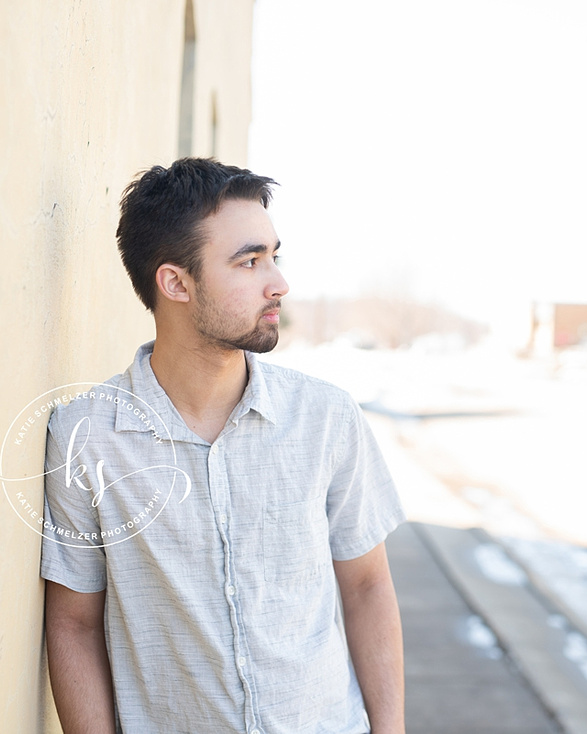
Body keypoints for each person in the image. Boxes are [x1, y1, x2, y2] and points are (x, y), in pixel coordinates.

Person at [40, 157, 406, 733]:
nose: (278, 282)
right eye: (250, 261)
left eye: (274, 255)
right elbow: (73, 624)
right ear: (176, 282)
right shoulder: (88, 437)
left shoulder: (326, 417)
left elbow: (366, 585)